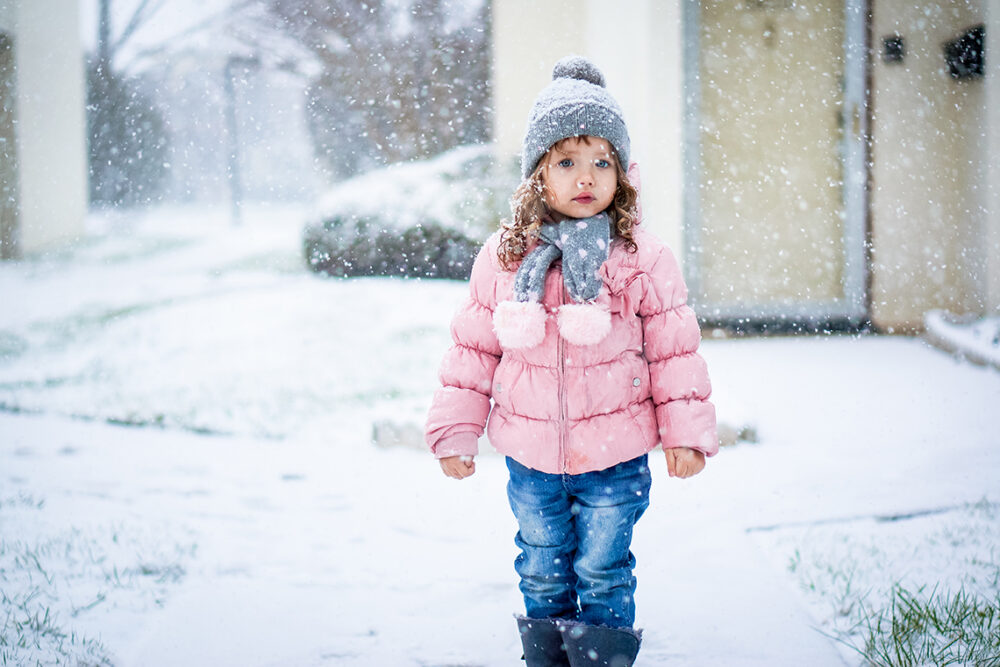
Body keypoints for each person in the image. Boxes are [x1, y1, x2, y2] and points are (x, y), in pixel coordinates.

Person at [425, 56, 718, 667]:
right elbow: (473, 348)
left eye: (602, 161)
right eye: (566, 161)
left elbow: (673, 350)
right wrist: (456, 429)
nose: (586, 177)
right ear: (538, 174)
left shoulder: (641, 257)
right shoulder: (505, 258)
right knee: (540, 567)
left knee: (603, 570)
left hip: (615, 456)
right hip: (531, 457)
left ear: (622, 172)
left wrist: (684, 434)